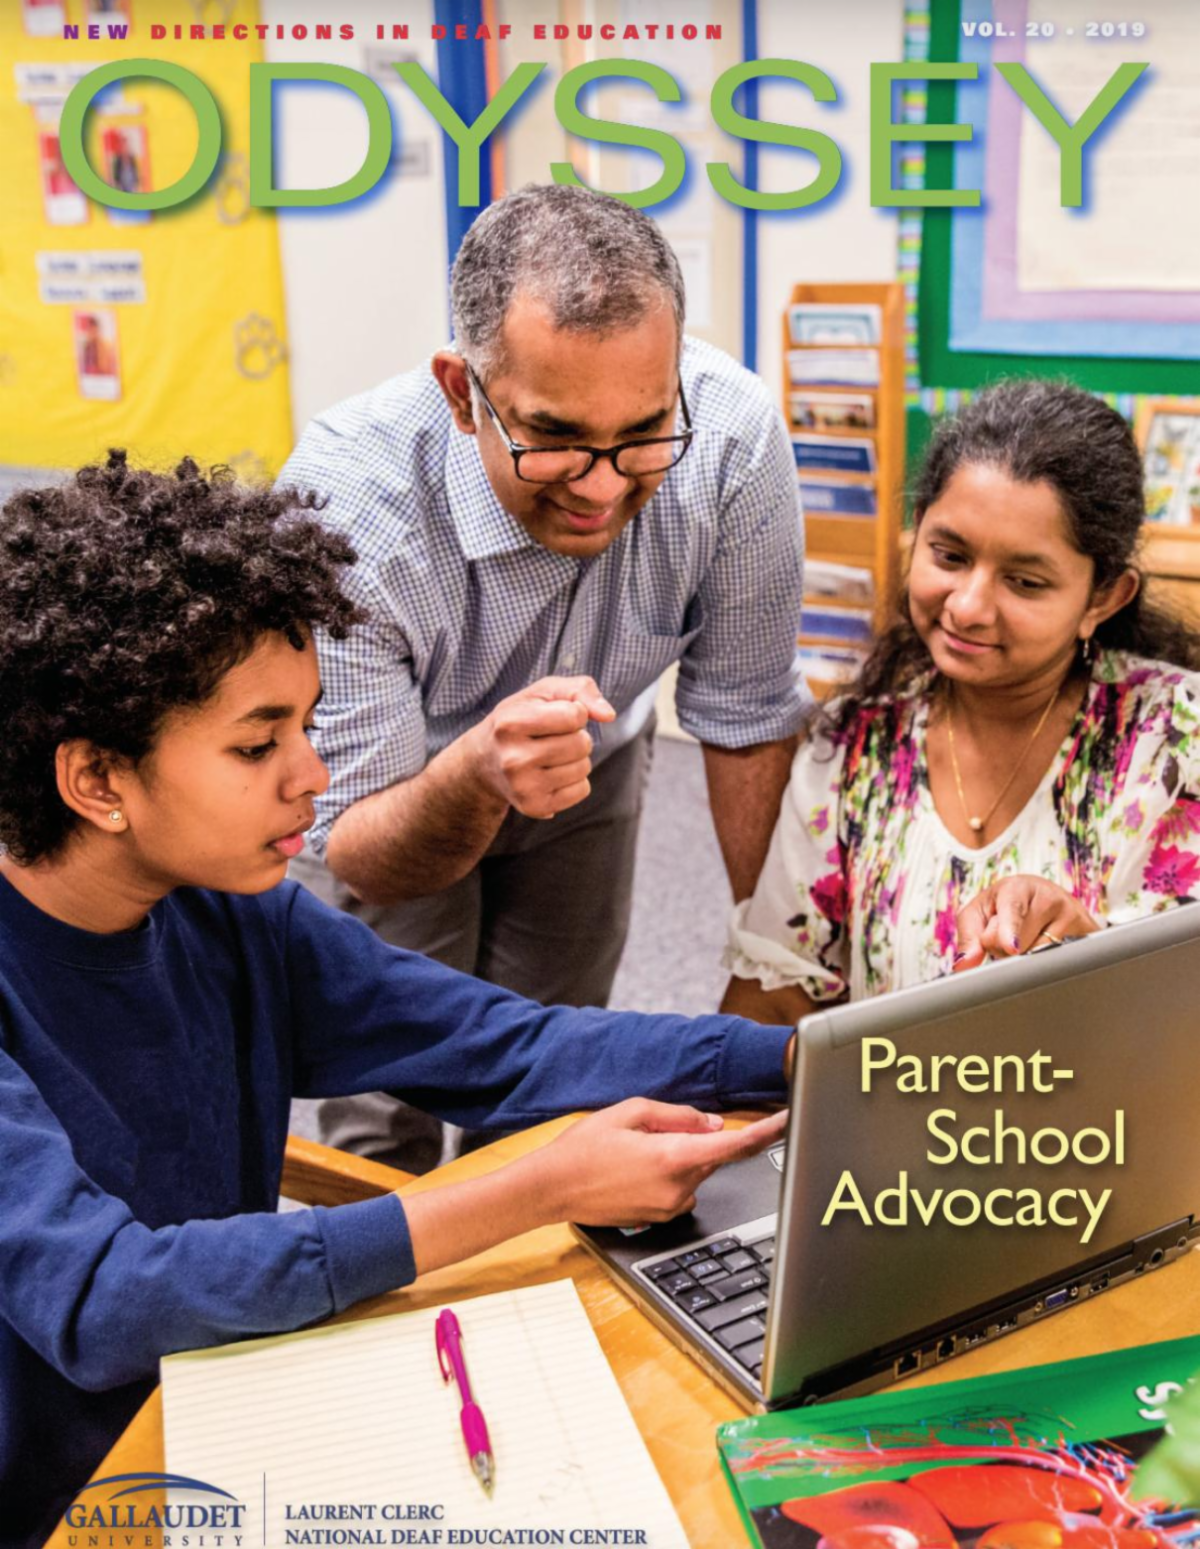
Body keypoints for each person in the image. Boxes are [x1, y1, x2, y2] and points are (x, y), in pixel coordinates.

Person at [0, 452, 792, 1549]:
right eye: (256, 744)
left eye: (307, 726)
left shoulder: (234, 913)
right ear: (96, 781)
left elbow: (506, 1047)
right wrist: (529, 1188)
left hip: (223, 1409)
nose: (314, 777)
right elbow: (105, 1301)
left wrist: (811, 1057)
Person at [281, 183, 807, 1167]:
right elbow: (357, 849)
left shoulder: (731, 443)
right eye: (555, 438)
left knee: (549, 1073)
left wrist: (769, 957)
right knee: (387, 1092)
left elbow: (745, 714)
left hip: (589, 772)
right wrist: (477, 774)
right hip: (398, 785)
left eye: (644, 432)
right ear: (459, 388)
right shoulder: (345, 504)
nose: (604, 485)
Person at [721, 378, 1200, 1025]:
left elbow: (1174, 1033)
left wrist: (1091, 954)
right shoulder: (852, 745)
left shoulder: (1176, 743)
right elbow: (773, 999)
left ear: (1103, 598)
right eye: (949, 554)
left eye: (1024, 581)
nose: (968, 606)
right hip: (891, 1111)